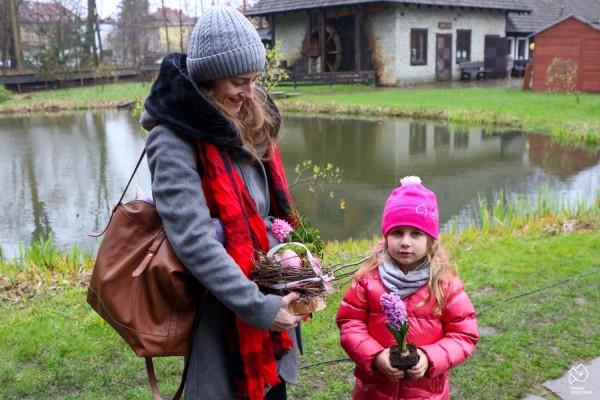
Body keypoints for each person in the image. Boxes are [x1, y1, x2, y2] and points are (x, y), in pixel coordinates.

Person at [140, 5, 306, 400]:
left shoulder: (250, 120)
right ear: (208, 79)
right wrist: (261, 308)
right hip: (221, 314)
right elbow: (194, 243)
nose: (250, 93)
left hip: (266, 304)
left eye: (254, 80)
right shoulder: (172, 139)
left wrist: (296, 263)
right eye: (238, 81)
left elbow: (268, 212)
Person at [336, 176, 479, 400]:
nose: (405, 242)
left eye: (415, 233)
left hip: (426, 393)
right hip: (375, 390)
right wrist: (375, 356)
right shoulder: (368, 278)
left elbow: (464, 334)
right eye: (397, 232)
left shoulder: (444, 282)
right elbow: (349, 324)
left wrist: (430, 357)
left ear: (430, 239)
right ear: (386, 235)